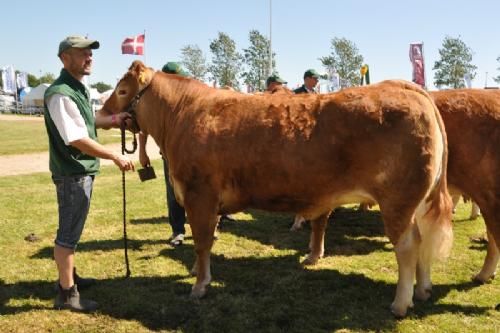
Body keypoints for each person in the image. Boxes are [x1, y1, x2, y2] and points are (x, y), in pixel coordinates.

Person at [44, 35, 135, 312]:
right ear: (64, 58)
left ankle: (69, 277)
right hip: (73, 172)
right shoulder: (60, 92)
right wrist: (114, 156)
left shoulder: (78, 88)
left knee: (72, 230)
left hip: (79, 171)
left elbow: (88, 121)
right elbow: (76, 138)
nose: (89, 57)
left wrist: (115, 120)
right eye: (81, 53)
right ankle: (67, 294)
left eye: (90, 53)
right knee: (68, 234)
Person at [139, 61, 188, 247]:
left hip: (194, 154)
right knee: (174, 192)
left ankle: (205, 227)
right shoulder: (154, 102)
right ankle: (178, 231)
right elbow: (143, 128)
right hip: (170, 155)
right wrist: (142, 152)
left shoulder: (187, 97)